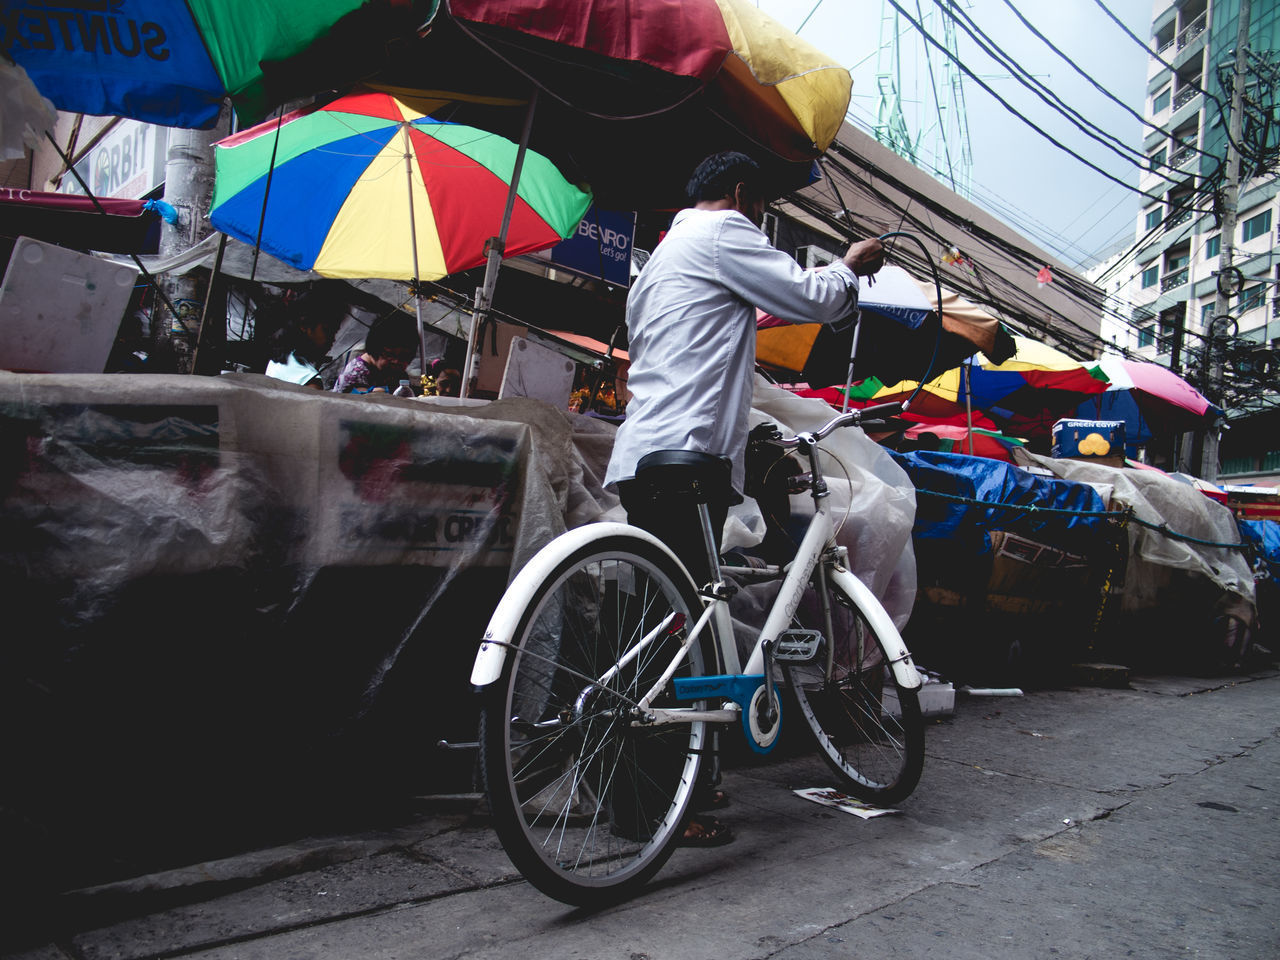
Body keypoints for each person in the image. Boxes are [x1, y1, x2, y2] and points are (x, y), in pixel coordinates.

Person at [603, 150, 885, 846]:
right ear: (739, 193)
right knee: (678, 636)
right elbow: (812, 298)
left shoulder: (663, 258)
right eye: (761, 205)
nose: (761, 219)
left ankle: (678, 780)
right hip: (689, 456)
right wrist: (851, 266)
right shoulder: (725, 232)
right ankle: (651, 809)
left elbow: (689, 357)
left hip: (647, 454)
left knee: (659, 625)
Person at [262, 286, 346, 389]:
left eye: (334, 332)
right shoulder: (311, 382)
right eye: (327, 331)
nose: (332, 339)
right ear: (306, 326)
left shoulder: (278, 358)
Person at [333, 313, 420, 393]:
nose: (396, 361)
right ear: (375, 349)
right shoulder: (357, 374)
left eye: (404, 357)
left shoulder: (395, 372)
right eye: (390, 355)